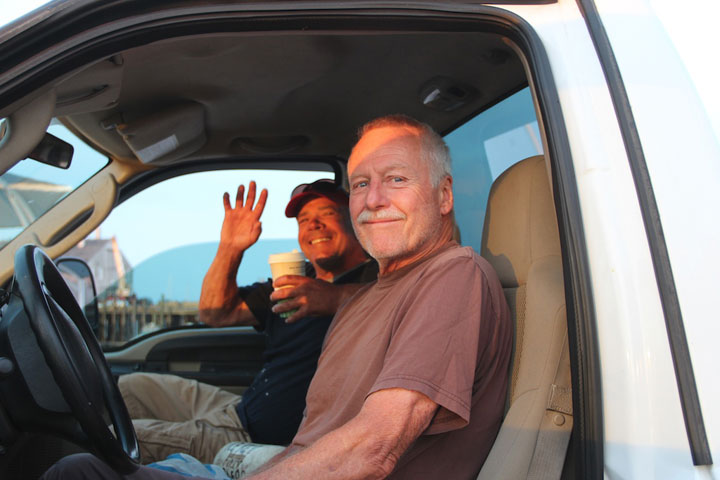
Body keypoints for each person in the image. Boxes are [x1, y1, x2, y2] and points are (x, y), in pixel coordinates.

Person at [41, 114, 512, 480]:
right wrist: (232, 248)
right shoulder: (370, 292)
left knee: (83, 463)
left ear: (445, 195)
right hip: (277, 455)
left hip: (280, 455)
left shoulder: (452, 275)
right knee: (87, 457)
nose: (373, 200)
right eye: (362, 184)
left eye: (397, 179)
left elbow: (374, 447)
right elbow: (216, 311)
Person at [117, 180, 376, 464]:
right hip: (240, 410)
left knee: (116, 439)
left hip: (252, 440)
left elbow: (403, 295)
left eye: (327, 213)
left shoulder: (377, 281)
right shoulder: (288, 280)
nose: (313, 224)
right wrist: (230, 248)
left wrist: (335, 297)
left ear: (354, 221)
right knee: (129, 386)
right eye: (304, 220)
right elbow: (215, 313)